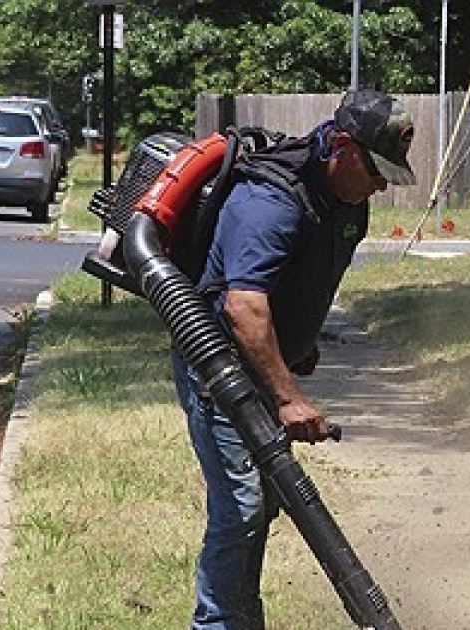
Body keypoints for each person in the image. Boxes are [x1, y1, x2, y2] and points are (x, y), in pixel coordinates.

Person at [170, 89, 416, 629]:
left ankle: (239, 619)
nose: (379, 183)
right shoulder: (271, 200)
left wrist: (298, 346)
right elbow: (244, 304)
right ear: (343, 147)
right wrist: (287, 395)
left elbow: (306, 276)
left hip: (256, 362)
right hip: (220, 369)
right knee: (242, 507)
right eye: (375, 170)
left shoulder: (346, 200)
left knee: (261, 505)